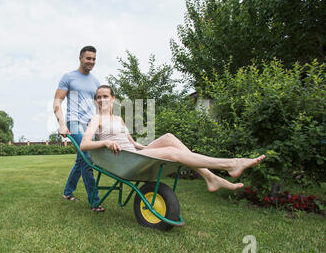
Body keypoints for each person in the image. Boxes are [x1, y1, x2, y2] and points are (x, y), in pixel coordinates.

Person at [80, 85, 266, 192]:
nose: (101, 100)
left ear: (113, 99)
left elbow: (132, 142)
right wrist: (105, 142)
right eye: (98, 97)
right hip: (121, 160)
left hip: (132, 153)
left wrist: (143, 148)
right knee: (171, 152)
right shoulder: (97, 119)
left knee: (169, 137)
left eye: (105, 96)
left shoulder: (119, 118)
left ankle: (210, 177)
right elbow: (84, 144)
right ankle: (230, 164)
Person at [53, 46, 105, 212]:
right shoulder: (68, 77)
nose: (91, 62)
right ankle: (94, 201)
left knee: (80, 160)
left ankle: (68, 192)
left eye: (94, 59)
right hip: (74, 122)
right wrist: (62, 124)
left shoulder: (95, 81)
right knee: (88, 157)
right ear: (80, 58)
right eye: (88, 58)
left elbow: (98, 106)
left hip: (90, 124)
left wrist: (100, 124)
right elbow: (57, 102)